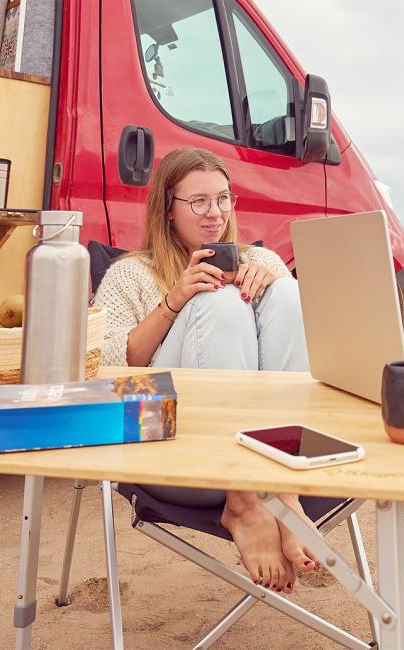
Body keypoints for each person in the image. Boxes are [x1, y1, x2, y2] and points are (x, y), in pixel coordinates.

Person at [94, 147, 316, 595]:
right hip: (173, 438)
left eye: (222, 198)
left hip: (267, 443)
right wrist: (175, 301)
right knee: (217, 301)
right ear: (167, 209)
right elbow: (107, 369)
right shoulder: (130, 274)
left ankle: (281, 489)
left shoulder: (263, 261)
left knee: (289, 293)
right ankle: (243, 500)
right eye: (198, 201)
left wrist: (273, 288)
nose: (214, 212)